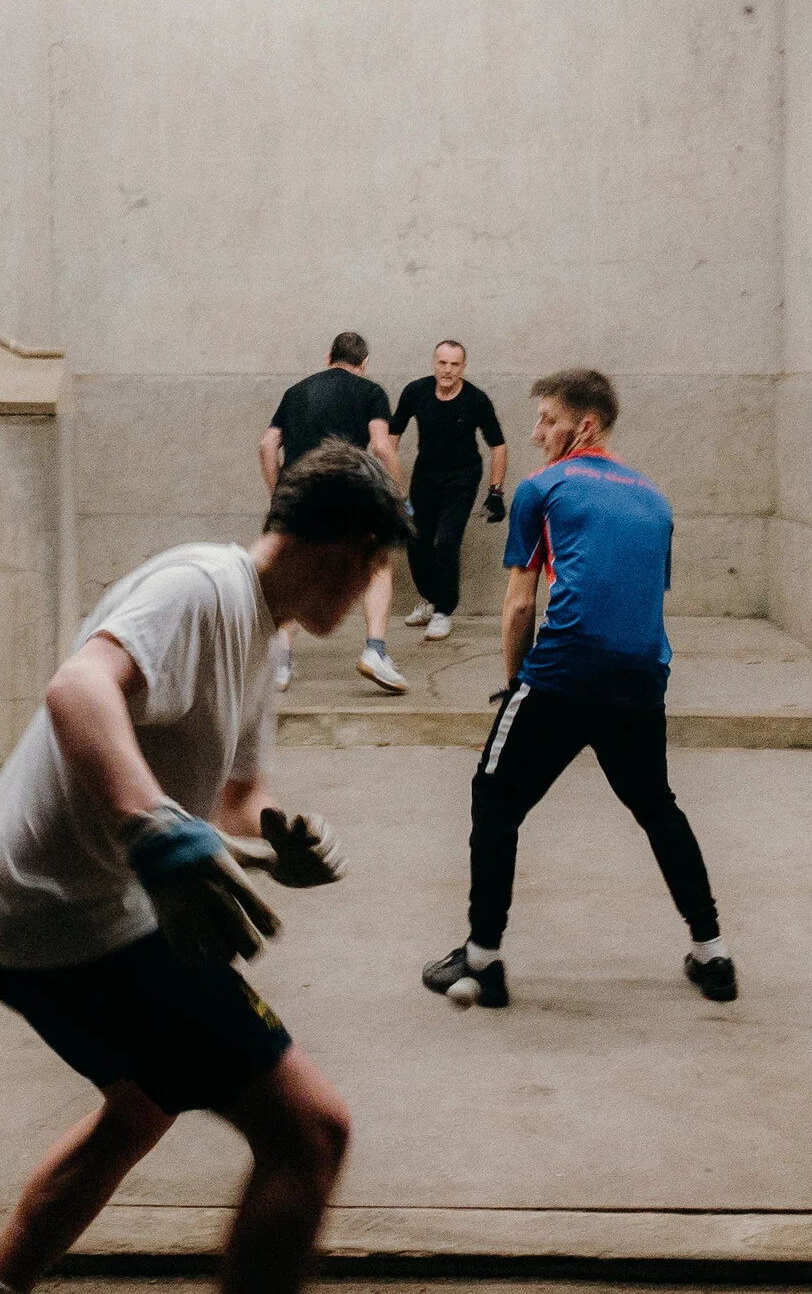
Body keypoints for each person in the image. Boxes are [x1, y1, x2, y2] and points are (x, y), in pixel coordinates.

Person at [0, 440, 413, 1294]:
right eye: (375, 563)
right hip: (64, 913)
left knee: (141, 1107)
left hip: (30, 903)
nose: (369, 587)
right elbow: (78, 689)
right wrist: (148, 829)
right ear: (350, 550)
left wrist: (277, 841)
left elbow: (232, 802)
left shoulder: (262, 640)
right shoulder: (200, 586)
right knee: (312, 1131)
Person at [421, 369, 735, 1008]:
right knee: (656, 807)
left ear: (584, 426)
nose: (535, 433)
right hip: (642, 678)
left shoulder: (541, 488)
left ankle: (482, 959)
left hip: (563, 673)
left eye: (546, 420)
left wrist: (515, 687)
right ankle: (714, 954)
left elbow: (518, 605)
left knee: (495, 799)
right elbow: (638, 596)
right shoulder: (655, 499)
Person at [260, 332, 407, 694]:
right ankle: (374, 650)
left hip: (301, 493)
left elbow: (267, 445)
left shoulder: (296, 392)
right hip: (348, 492)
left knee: (293, 568)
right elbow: (381, 447)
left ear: (329, 357)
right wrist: (397, 496)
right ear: (364, 362)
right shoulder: (371, 392)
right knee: (378, 565)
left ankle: (281, 661)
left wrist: (279, 491)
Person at [389, 341, 508, 642]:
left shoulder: (476, 400)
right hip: (425, 476)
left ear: (463, 368)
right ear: (434, 363)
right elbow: (391, 438)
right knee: (416, 541)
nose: (447, 370)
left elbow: (498, 445)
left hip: (462, 478)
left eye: (454, 365)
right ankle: (430, 599)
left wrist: (496, 491)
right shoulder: (415, 392)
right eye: (443, 363)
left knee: (446, 541)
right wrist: (391, 486)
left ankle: (443, 611)